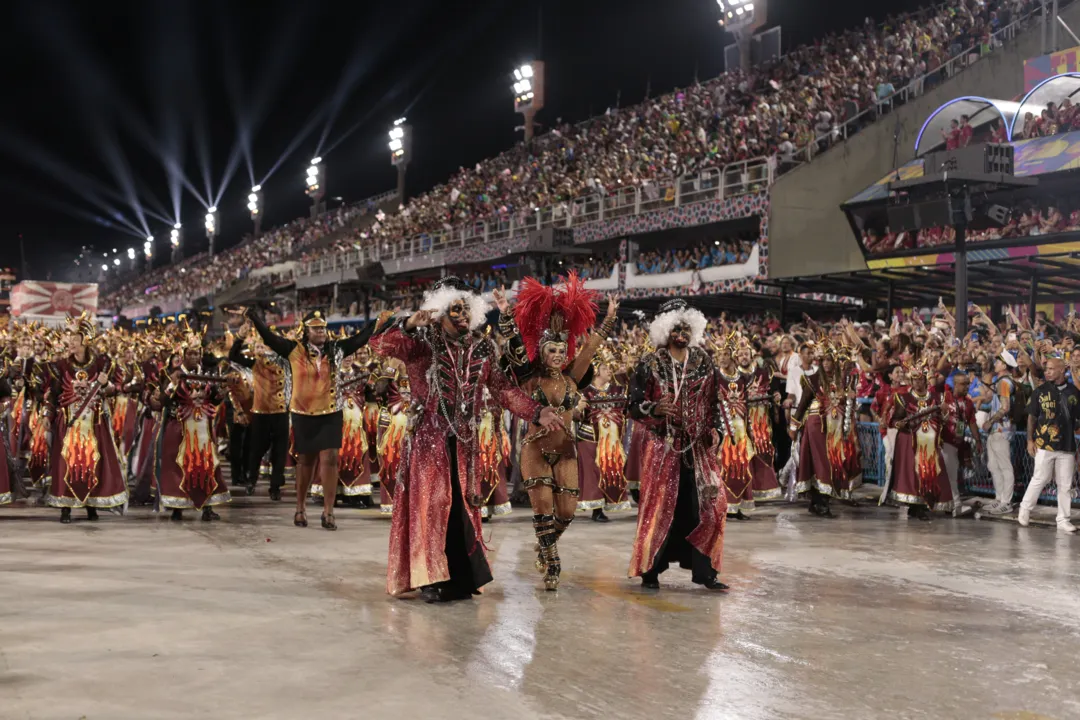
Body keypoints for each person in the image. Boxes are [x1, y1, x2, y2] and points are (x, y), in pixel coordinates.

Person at [370, 277, 562, 603]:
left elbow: (502, 388)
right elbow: (379, 345)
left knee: (461, 508)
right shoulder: (422, 344)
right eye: (454, 309)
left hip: (464, 442)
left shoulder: (483, 346)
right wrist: (407, 323)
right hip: (428, 439)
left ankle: (461, 577)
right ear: (441, 312)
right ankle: (430, 576)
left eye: (465, 309)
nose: (460, 315)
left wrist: (536, 412)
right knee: (432, 506)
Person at [497, 274, 618, 590]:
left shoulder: (571, 379)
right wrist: (505, 314)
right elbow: (514, 350)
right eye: (552, 350)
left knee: (566, 512)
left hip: (566, 450)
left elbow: (590, 348)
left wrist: (608, 320)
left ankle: (546, 542)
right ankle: (552, 561)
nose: (559, 354)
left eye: (562, 350)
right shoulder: (530, 380)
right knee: (544, 511)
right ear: (543, 351)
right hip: (535, 450)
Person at [627, 299, 728, 592]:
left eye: (686, 328)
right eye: (675, 328)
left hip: (698, 450)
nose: (681, 333)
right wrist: (655, 408)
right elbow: (632, 406)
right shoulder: (650, 363)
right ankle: (650, 570)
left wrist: (716, 430)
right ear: (665, 330)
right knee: (659, 508)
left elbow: (714, 402)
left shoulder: (704, 361)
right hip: (662, 448)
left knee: (709, 507)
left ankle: (706, 572)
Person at [246, 307, 376, 530]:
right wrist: (254, 316)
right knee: (306, 462)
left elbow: (361, 338)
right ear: (306, 331)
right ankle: (300, 507)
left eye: (323, 328)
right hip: (303, 414)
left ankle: (328, 512)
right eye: (316, 329)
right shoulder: (293, 350)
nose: (321, 331)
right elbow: (269, 337)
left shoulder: (337, 349)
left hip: (331, 412)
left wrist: (380, 320)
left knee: (331, 459)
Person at [46, 313, 128, 523]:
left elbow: (113, 390)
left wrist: (105, 385)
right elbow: (54, 395)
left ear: (85, 341)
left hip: (94, 422)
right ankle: (66, 506)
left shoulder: (101, 364)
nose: (70, 343)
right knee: (67, 462)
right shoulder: (60, 366)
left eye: (75, 339)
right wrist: (48, 415)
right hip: (69, 422)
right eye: (70, 339)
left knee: (94, 462)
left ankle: (92, 505)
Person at [155, 328, 231, 521]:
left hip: (203, 429)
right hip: (179, 428)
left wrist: (221, 392)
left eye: (196, 353)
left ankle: (207, 507)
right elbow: (162, 401)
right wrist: (172, 384)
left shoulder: (206, 374)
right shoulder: (173, 374)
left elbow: (213, 400)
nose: (193, 356)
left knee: (206, 466)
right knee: (179, 465)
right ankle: (177, 506)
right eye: (190, 353)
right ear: (182, 355)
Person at [229, 320, 290, 501]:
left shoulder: (287, 361)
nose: (263, 349)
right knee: (256, 450)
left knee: (280, 452)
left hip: (281, 412)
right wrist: (239, 337)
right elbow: (233, 356)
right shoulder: (255, 363)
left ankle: (275, 487)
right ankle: (251, 480)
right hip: (261, 412)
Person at [1018, 357, 1080, 533]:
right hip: (1044, 443)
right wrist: (1030, 440)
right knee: (1040, 477)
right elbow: (1032, 416)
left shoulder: (1073, 392)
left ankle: (1063, 519)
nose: (1048, 372)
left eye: (1052, 369)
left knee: (1065, 483)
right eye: (1047, 369)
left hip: (1067, 444)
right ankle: (1025, 508)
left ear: (1062, 370)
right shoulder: (1040, 391)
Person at [575, 349, 631, 521]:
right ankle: (596, 509)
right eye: (606, 368)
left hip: (611, 441)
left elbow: (626, 410)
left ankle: (605, 505)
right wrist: (578, 409)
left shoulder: (617, 389)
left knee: (609, 471)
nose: (610, 371)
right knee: (593, 474)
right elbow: (576, 416)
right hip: (589, 438)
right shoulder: (584, 392)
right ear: (597, 370)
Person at [940, 372, 981, 518]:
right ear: (955, 385)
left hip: (958, 442)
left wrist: (978, 441)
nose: (967, 387)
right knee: (950, 475)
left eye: (968, 384)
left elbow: (972, 423)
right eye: (963, 384)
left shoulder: (969, 403)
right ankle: (955, 504)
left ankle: (950, 504)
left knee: (952, 474)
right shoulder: (944, 397)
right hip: (944, 442)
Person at [981, 351, 1017, 515]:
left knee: (1004, 466)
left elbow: (1005, 407)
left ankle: (1006, 502)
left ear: (1004, 365)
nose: (995, 364)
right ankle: (999, 498)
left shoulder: (1004, 383)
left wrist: (990, 421)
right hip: (996, 430)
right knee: (993, 465)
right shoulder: (1000, 382)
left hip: (1001, 429)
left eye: (998, 362)